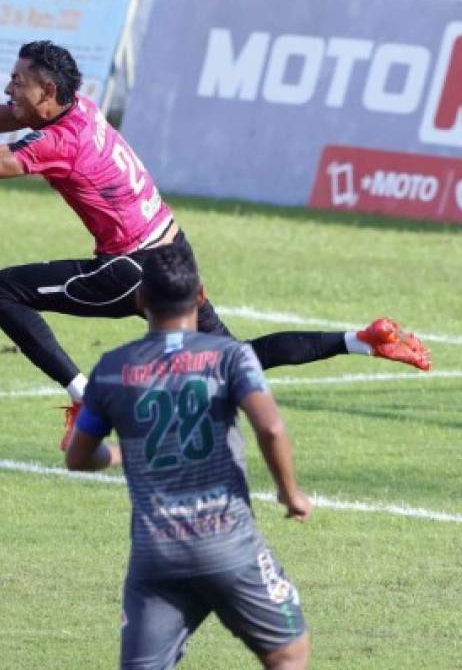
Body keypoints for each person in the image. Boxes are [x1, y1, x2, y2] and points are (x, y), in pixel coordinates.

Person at [0, 40, 431, 449]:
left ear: (46, 91)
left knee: (1, 291)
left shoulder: (61, 142)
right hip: (174, 251)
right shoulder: (79, 108)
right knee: (230, 359)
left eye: (16, 81)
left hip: (134, 269)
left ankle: (84, 394)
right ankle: (361, 340)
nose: (7, 88)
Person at [66, 243, 312, 669]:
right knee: (288, 654)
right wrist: (290, 494)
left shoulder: (111, 368)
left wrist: (116, 455)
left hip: (157, 557)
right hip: (229, 546)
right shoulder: (230, 356)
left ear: (141, 300)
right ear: (200, 295)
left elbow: (77, 457)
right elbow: (270, 427)